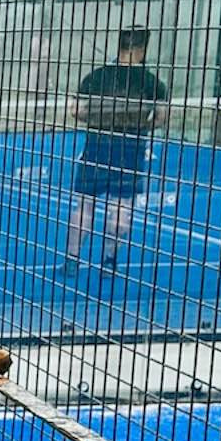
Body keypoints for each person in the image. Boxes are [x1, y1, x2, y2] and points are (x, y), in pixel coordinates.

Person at [60, 25, 167, 276]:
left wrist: (94, 121)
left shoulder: (96, 77)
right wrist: (143, 127)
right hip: (130, 148)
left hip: (97, 146)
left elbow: (75, 110)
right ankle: (109, 261)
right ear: (142, 49)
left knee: (84, 205)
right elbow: (162, 116)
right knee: (121, 206)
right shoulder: (152, 82)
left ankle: (72, 260)